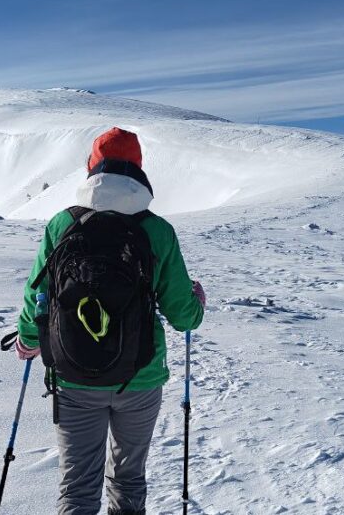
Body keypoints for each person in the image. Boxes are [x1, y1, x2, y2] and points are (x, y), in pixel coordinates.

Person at [16, 126, 205, 515]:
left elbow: (38, 294)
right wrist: (196, 302)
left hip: (72, 373)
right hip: (141, 376)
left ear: (92, 167)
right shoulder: (157, 231)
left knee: (78, 488)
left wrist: (29, 339)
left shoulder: (62, 224)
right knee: (128, 478)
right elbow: (183, 316)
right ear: (138, 169)